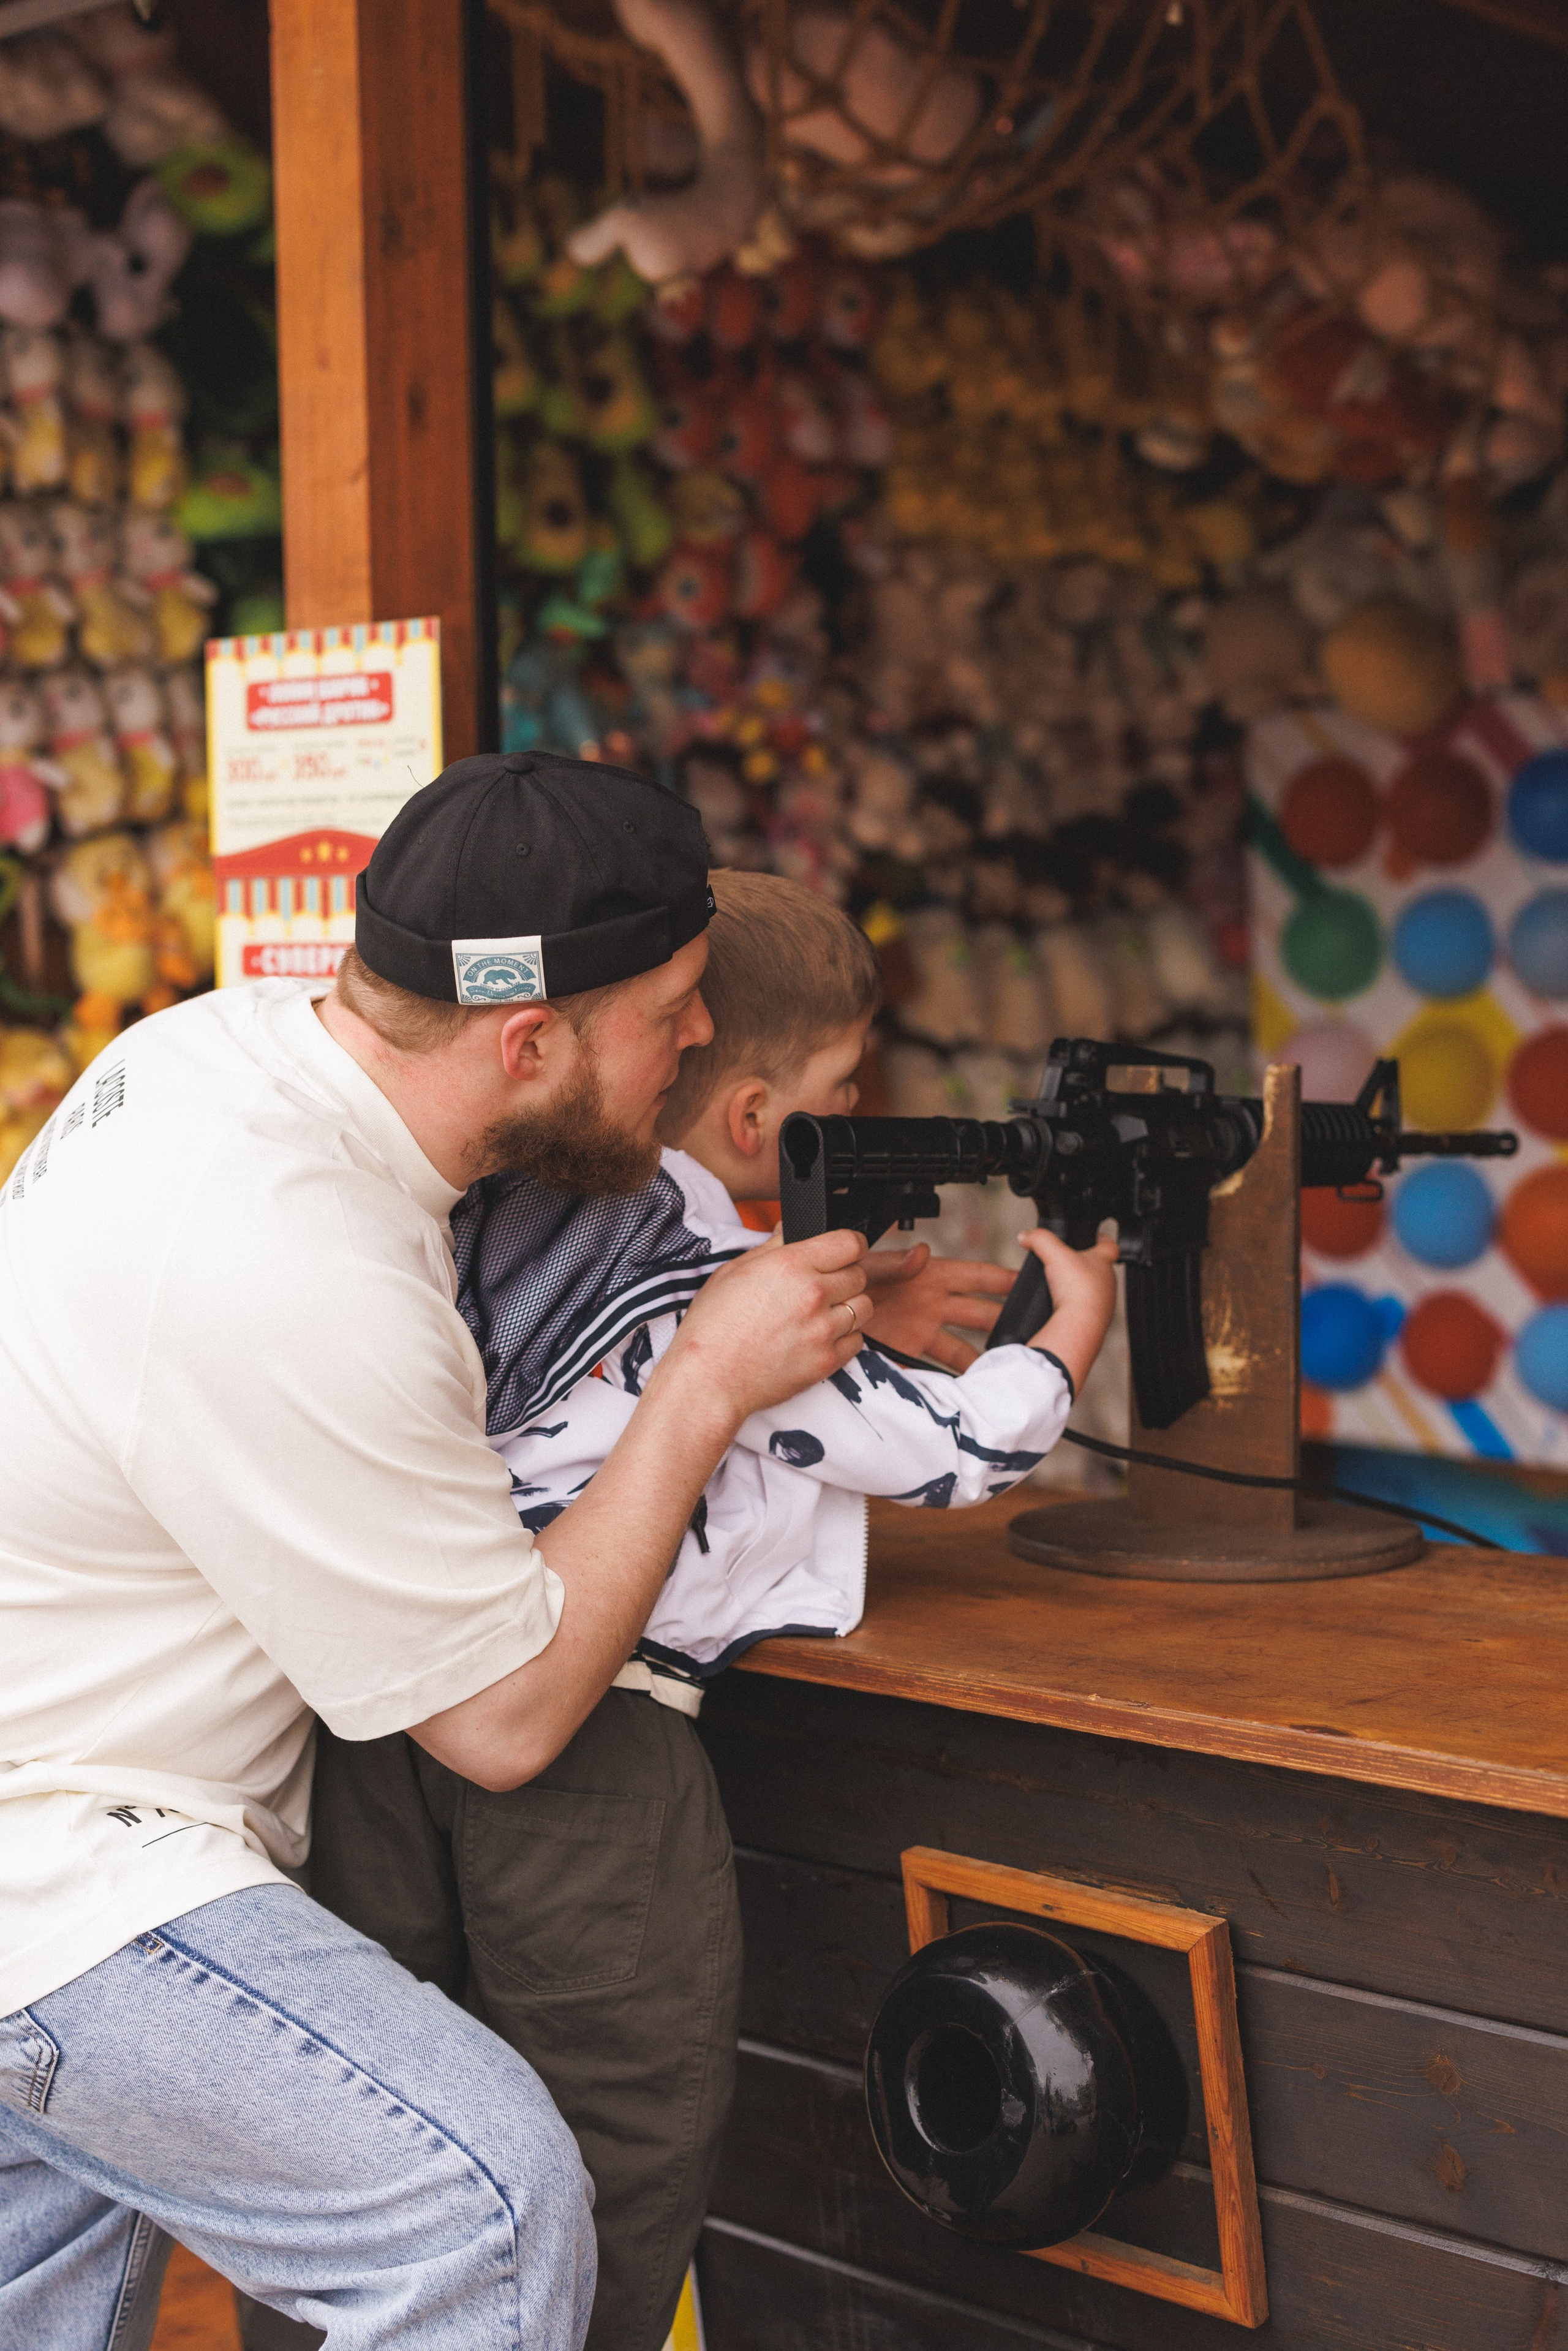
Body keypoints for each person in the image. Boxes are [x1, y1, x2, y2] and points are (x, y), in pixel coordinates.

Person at [0, 752, 873, 2351]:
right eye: (674, 1003)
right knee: (482, 2210)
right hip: (64, 1879)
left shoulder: (217, 1053)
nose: (701, 1034)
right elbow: (503, 1718)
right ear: (528, 1039)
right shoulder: (287, 1256)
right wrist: (700, 1378)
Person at [307, 869, 1118, 2351]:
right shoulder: (717, 1291)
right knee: (615, 2130)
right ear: (752, 1121)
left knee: (363, 2127)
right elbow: (955, 1457)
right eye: (838, 1089)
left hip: (377, 1713)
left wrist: (845, 1308)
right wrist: (1065, 1330)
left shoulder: (489, 1214)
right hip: (588, 1746)